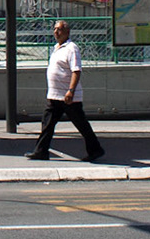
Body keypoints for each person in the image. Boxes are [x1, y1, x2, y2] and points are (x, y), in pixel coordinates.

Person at [29, 20, 104, 162]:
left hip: (68, 96)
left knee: (81, 124)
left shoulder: (72, 48)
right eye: (55, 29)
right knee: (47, 123)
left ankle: (96, 150)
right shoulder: (56, 47)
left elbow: (76, 71)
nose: (56, 32)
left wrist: (71, 91)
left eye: (60, 29)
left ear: (67, 32)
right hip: (54, 96)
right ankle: (41, 151)